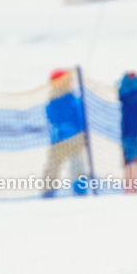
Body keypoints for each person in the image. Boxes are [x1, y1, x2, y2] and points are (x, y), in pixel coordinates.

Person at [43, 69, 88, 197]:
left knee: (76, 165)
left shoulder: (72, 99)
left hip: (74, 138)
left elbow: (80, 118)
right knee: (52, 166)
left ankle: (80, 191)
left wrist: (82, 134)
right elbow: (51, 116)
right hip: (58, 139)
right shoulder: (52, 100)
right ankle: (48, 192)